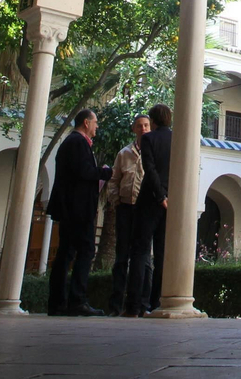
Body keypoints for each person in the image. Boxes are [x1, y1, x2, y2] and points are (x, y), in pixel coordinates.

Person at [45, 108, 109, 317]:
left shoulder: (72, 142)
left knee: (66, 253)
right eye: (95, 122)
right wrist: (105, 172)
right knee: (85, 250)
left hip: (71, 208)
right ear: (85, 123)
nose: (97, 126)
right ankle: (76, 300)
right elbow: (84, 173)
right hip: (78, 209)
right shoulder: (77, 143)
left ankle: (58, 302)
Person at [104, 112, 149, 316]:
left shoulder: (153, 152)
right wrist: (115, 201)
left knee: (144, 259)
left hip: (144, 210)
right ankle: (115, 305)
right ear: (134, 129)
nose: (143, 129)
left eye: (146, 125)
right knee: (121, 258)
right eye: (140, 125)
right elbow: (114, 179)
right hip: (125, 208)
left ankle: (142, 304)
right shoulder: (124, 154)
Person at [128, 103, 171, 315]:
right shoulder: (176, 139)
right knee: (162, 253)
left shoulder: (149, 138)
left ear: (153, 121)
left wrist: (159, 195)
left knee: (140, 252)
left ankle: (135, 305)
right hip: (169, 202)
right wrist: (168, 197)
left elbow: (149, 168)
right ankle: (156, 303)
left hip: (149, 201)